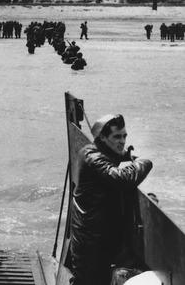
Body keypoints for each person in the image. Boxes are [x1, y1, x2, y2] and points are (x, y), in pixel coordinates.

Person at [69, 114, 153, 285]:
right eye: (116, 137)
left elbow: (112, 158)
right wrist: (144, 162)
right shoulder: (92, 157)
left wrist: (124, 155)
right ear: (102, 138)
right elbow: (122, 179)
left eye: (124, 136)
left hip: (98, 237)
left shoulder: (98, 152)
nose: (122, 141)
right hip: (90, 243)